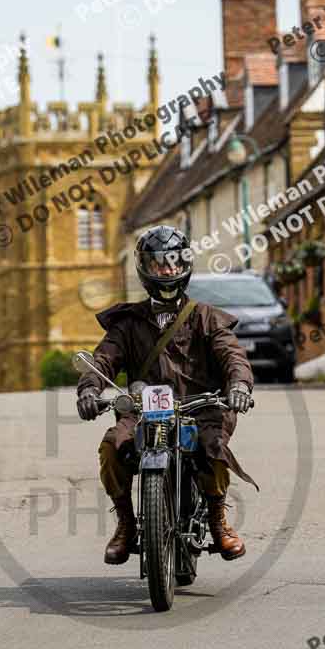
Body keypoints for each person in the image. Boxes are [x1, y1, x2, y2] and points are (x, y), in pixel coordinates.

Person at [76, 225, 256, 565]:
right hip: (143, 411)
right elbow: (103, 359)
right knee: (113, 445)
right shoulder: (127, 323)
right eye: (159, 263)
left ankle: (218, 518)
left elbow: (232, 355)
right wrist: (90, 389)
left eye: (174, 261)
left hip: (199, 407)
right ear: (145, 267)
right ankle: (126, 523)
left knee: (213, 446)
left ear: (185, 264)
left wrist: (238, 386)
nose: (168, 269)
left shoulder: (205, 317)